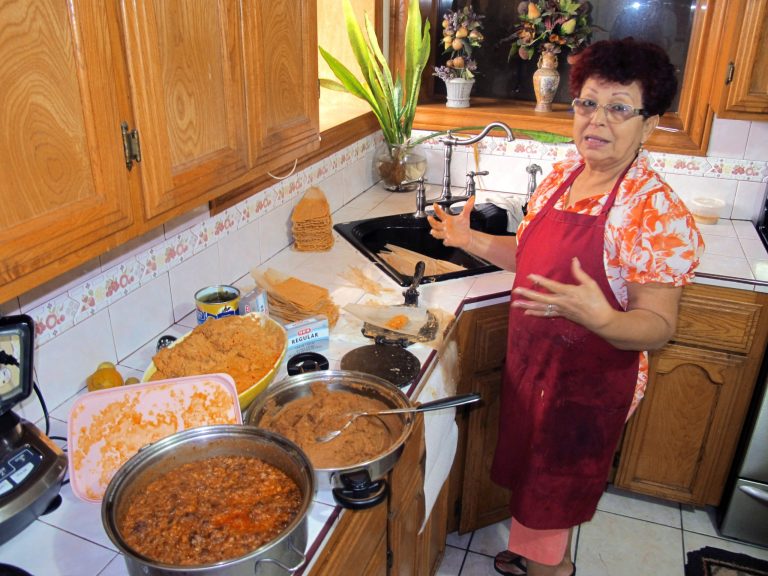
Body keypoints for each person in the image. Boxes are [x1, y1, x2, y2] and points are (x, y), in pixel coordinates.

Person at [428, 38, 703, 576]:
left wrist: (600, 318)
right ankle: (538, 555)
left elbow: (658, 326)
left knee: (557, 482)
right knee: (536, 475)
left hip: (593, 382)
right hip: (536, 363)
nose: (597, 120)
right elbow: (530, 255)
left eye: (620, 107)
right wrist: (472, 242)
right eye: (588, 103)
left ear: (649, 124)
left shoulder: (654, 210)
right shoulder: (563, 175)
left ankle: (552, 570)